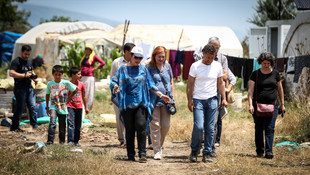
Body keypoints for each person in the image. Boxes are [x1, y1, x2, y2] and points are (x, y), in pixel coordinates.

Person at [110, 46, 171, 162]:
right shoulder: (123, 69)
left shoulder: (143, 70)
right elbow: (114, 80)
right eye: (136, 57)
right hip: (127, 104)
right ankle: (131, 155)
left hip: (141, 103)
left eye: (140, 58)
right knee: (130, 129)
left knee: (141, 126)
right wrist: (115, 87)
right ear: (131, 56)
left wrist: (161, 95)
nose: (138, 60)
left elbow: (151, 85)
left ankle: (142, 153)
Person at [187, 44, 228, 163]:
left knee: (210, 128)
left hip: (212, 100)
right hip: (198, 100)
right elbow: (189, 84)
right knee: (199, 126)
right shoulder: (195, 66)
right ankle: (194, 150)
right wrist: (190, 100)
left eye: (212, 57)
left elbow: (220, 83)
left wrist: (224, 99)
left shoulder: (217, 66)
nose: (209, 60)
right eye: (208, 57)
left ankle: (207, 152)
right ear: (203, 54)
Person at [248, 52, 285, 159]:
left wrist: (282, 104)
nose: (266, 65)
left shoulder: (276, 74)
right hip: (257, 106)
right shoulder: (255, 74)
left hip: (273, 106)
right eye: (264, 63)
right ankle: (259, 150)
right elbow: (250, 91)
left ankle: (269, 151)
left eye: (268, 63)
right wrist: (250, 105)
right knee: (259, 128)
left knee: (269, 128)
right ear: (260, 62)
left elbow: (280, 89)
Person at [145, 46, 174, 160]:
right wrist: (158, 94)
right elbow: (148, 84)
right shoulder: (148, 67)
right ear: (154, 56)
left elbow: (171, 81)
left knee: (166, 126)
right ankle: (156, 150)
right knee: (155, 126)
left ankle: (159, 146)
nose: (161, 59)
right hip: (153, 101)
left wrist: (172, 96)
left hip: (167, 101)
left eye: (163, 57)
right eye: (159, 57)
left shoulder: (168, 66)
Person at [110, 43, 135, 147]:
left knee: (131, 117)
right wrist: (115, 88)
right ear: (126, 52)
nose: (134, 54)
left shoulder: (136, 62)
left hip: (132, 94)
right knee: (120, 117)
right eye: (132, 52)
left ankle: (129, 139)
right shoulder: (117, 62)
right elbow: (112, 78)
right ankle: (122, 139)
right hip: (119, 94)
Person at [46, 65, 78, 145]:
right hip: (53, 106)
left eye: (59, 74)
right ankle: (50, 142)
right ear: (53, 74)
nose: (57, 76)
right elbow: (47, 94)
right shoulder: (50, 84)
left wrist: (69, 98)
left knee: (62, 126)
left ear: (62, 75)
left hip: (63, 108)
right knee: (52, 123)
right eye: (56, 74)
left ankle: (62, 142)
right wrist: (47, 107)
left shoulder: (66, 83)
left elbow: (76, 89)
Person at [9, 45, 38, 132]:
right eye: (25, 54)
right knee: (20, 108)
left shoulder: (29, 62)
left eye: (28, 54)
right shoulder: (16, 61)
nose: (27, 56)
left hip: (29, 88)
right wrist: (24, 75)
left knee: (33, 106)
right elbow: (11, 73)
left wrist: (34, 78)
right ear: (21, 52)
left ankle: (34, 125)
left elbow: (31, 71)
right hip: (19, 88)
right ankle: (14, 127)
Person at [208, 36, 229, 157]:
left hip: (217, 93)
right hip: (203, 93)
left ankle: (211, 147)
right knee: (203, 122)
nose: (216, 50)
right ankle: (204, 143)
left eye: (217, 48)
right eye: (214, 47)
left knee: (214, 122)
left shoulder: (223, 58)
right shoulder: (201, 56)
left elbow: (225, 77)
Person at [67, 67, 89, 147]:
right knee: (71, 124)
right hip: (70, 106)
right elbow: (66, 96)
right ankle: (70, 140)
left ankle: (76, 141)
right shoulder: (68, 84)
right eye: (78, 74)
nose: (80, 75)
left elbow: (84, 96)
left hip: (79, 107)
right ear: (73, 75)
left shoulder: (81, 84)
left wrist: (86, 107)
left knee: (78, 125)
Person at [214, 68, 236, 147]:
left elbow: (233, 79)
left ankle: (217, 140)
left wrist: (229, 88)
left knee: (218, 118)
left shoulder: (223, 67)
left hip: (220, 96)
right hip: (208, 95)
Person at [80, 43, 105, 110]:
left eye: (89, 50)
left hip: (89, 77)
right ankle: (81, 105)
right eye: (86, 49)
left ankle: (87, 106)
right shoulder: (84, 57)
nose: (87, 51)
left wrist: (94, 69)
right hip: (82, 76)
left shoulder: (94, 57)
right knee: (81, 91)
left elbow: (103, 63)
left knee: (88, 92)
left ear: (91, 51)